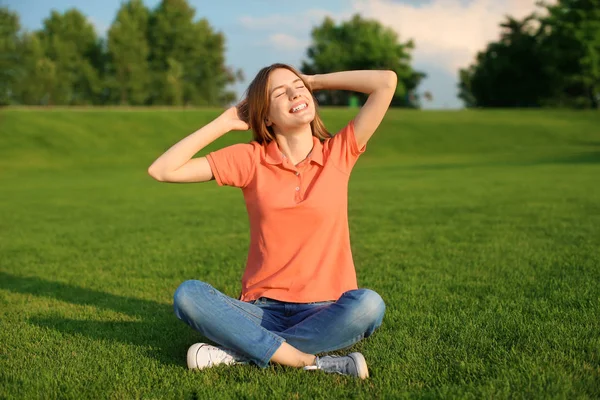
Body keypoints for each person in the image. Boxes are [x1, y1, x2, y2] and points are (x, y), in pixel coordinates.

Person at [148, 64, 397, 379]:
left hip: (325, 310)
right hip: (261, 311)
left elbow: (386, 82)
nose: (294, 92)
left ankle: (244, 351)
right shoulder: (250, 160)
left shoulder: (338, 153)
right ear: (266, 117)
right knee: (189, 295)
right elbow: (163, 170)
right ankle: (305, 360)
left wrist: (313, 81)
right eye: (280, 92)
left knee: (368, 305)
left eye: (297, 86)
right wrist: (224, 122)